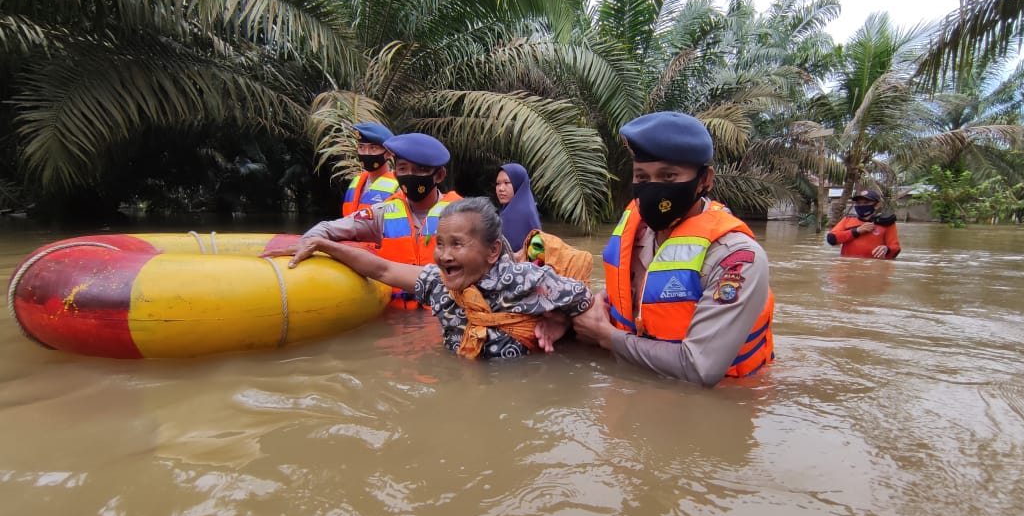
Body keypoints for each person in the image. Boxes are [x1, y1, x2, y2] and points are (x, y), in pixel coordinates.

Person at [571, 111, 775, 387]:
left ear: (705, 180)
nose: (654, 190)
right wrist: (591, 307)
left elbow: (699, 368)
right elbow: (633, 294)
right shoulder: (639, 228)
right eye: (642, 178)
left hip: (717, 406)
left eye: (668, 176)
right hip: (634, 393)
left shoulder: (736, 257)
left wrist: (606, 337)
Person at [278, 197, 594, 359]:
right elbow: (382, 269)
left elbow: (585, 298)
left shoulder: (526, 281)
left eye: (457, 244)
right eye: (440, 244)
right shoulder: (436, 284)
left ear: (493, 250)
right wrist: (324, 244)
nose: (444, 256)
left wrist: (560, 323)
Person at [265, 132, 462, 308]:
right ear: (396, 173)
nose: (410, 176)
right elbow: (328, 228)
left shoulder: (463, 215)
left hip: (444, 313)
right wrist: (305, 244)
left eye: (420, 170)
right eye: (403, 169)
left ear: (439, 175)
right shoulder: (383, 212)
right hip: (396, 314)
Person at [341, 122, 399, 217]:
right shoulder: (356, 181)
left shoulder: (399, 186)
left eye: (373, 148)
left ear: (389, 153)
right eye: (361, 147)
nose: (366, 153)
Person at [826, 188, 901, 259]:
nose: (861, 205)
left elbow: (896, 249)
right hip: (847, 267)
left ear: (877, 205)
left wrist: (887, 249)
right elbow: (831, 239)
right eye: (858, 203)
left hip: (873, 268)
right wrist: (856, 231)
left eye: (866, 203)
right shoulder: (848, 219)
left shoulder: (886, 222)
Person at [495, 163, 542, 249]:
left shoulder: (514, 215)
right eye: (498, 183)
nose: (501, 188)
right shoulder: (529, 209)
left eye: (506, 183)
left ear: (518, 184)